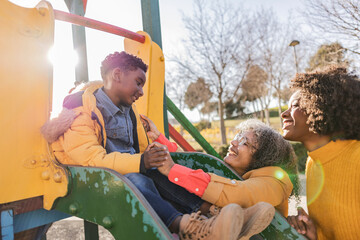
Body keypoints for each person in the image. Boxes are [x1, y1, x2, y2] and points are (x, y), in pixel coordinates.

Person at [41, 51, 256, 240]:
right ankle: (186, 226)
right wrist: (141, 161)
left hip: (126, 171)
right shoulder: (81, 113)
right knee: (136, 178)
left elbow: (140, 149)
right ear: (117, 75)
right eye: (138, 82)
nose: (141, 91)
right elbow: (92, 160)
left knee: (163, 171)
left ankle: (212, 214)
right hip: (91, 178)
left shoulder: (129, 111)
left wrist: (153, 156)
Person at [142, 118, 300, 238]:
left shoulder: (276, 183)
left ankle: (211, 217)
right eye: (238, 136)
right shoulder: (238, 176)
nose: (233, 142)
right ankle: (208, 219)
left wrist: (171, 169)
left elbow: (237, 194)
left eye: (244, 142)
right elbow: (195, 167)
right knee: (158, 175)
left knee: (154, 174)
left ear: (263, 157)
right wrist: (159, 139)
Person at [281, 66, 360, 240]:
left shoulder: (357, 157)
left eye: (294, 106)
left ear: (321, 104)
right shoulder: (313, 164)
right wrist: (316, 235)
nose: (283, 114)